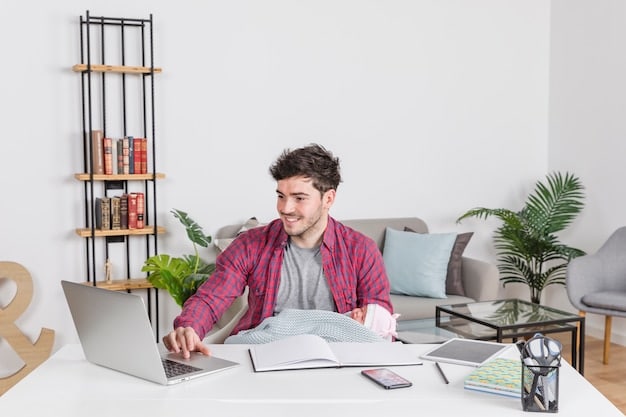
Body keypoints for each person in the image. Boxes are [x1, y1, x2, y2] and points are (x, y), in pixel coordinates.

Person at [163, 143, 393, 358]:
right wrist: (188, 327)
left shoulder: (361, 250)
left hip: (336, 360)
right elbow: (211, 298)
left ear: (328, 199)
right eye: (281, 196)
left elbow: (378, 324)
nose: (285, 208)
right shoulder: (250, 244)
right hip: (265, 356)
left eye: (299, 198)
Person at [223, 304, 399, 345]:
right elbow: (315, 322)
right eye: (361, 308)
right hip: (288, 325)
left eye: (362, 316)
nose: (356, 312)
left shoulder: (356, 336)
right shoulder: (340, 319)